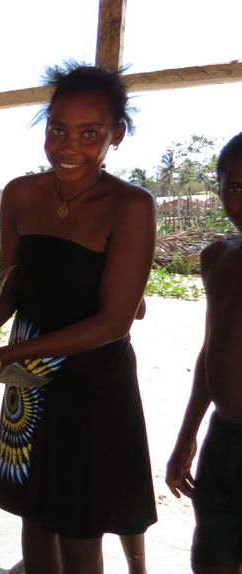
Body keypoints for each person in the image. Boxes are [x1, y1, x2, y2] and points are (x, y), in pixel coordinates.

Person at [0, 63, 158, 574]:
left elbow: (115, 322)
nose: (67, 146)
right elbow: (11, 288)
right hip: (27, 382)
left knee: (79, 530)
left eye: (89, 133)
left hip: (92, 382)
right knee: (34, 512)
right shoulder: (20, 194)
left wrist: (4, 355)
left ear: (115, 135)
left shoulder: (130, 206)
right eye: (57, 129)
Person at [166, 132, 242, 574]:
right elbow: (209, 355)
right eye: (233, 187)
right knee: (211, 560)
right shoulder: (217, 258)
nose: (241, 199)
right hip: (223, 439)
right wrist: (186, 438)